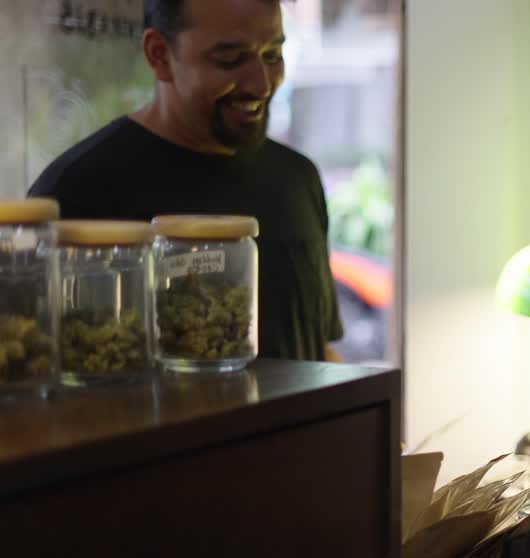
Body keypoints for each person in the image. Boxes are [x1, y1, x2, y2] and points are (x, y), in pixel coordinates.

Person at [29, 0, 342, 362]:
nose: (261, 82)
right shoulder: (77, 192)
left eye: (273, 54)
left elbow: (320, 348)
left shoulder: (297, 180)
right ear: (160, 55)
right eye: (230, 60)